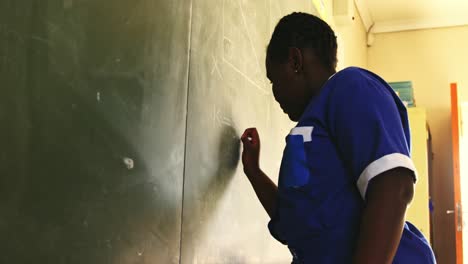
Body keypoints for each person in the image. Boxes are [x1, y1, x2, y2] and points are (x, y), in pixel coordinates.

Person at [240, 12, 436, 264]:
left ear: (295, 61)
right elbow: (295, 219)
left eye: (273, 80)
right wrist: (253, 171)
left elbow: (393, 187)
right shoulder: (308, 134)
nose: (275, 93)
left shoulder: (350, 86)